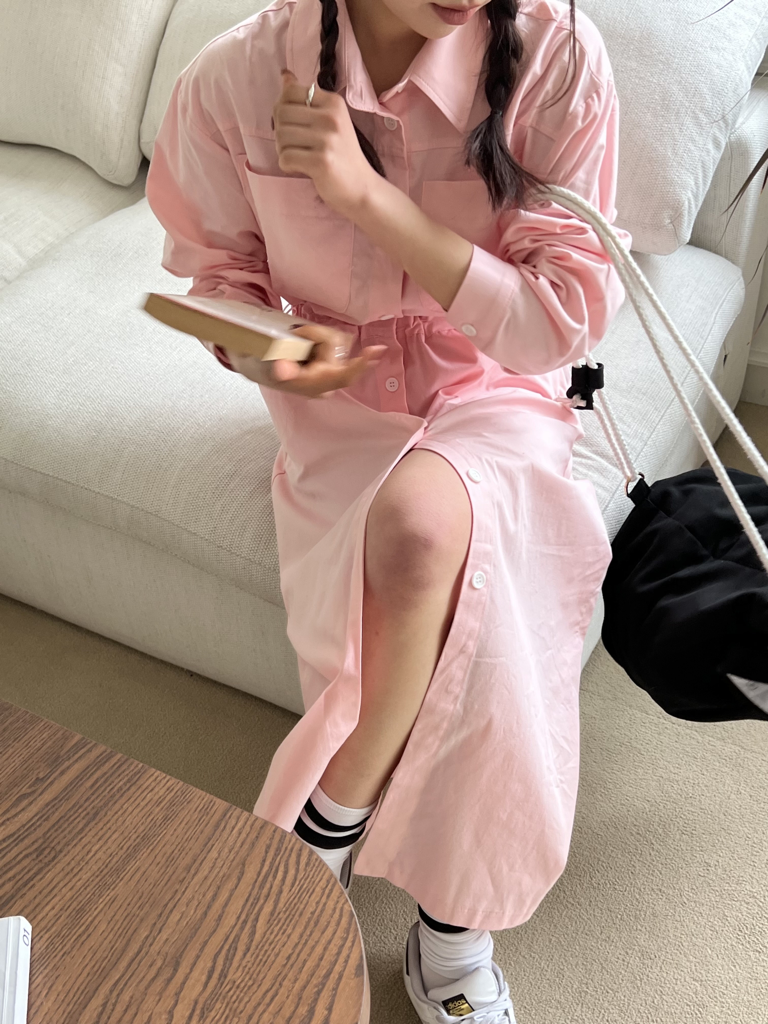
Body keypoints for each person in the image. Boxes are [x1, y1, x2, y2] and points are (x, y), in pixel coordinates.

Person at [145, 0, 633, 1019]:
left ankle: (324, 831)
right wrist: (280, 354)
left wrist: (364, 197)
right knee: (428, 552)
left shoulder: (554, 57)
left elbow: (558, 321)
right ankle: (454, 935)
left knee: (430, 537)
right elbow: (213, 284)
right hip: (343, 411)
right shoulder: (236, 79)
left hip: (497, 387)